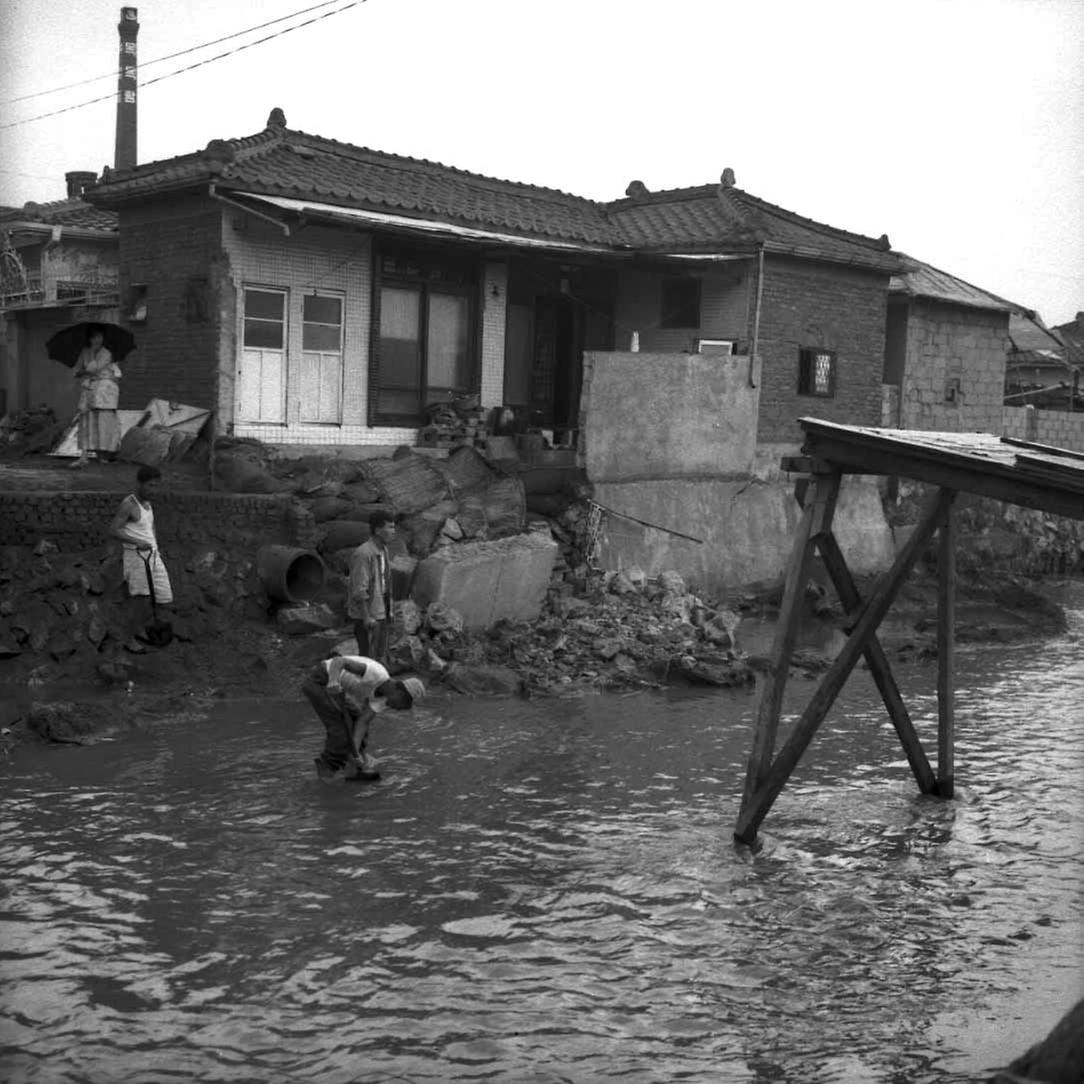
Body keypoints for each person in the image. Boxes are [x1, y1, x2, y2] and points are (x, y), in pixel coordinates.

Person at [302, 653, 425, 782]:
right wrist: (333, 680)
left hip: (338, 690)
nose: (398, 709)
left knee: (356, 717)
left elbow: (363, 722)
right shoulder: (376, 674)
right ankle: (326, 770)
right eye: (403, 705)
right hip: (319, 680)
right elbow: (339, 661)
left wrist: (355, 755)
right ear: (399, 692)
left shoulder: (384, 699)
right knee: (340, 731)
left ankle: (354, 762)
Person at [109, 465, 173, 624]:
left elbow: (150, 527)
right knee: (140, 598)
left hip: (153, 555)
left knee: (163, 596)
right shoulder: (129, 504)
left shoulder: (148, 503)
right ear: (139, 483)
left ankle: (150, 626)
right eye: (150, 485)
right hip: (137, 557)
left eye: (156, 486)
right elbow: (114, 530)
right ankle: (132, 636)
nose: (153, 490)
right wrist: (137, 542)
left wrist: (156, 547)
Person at [348, 510, 396, 661]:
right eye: (390, 527)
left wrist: (390, 609)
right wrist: (367, 617)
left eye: (394, 527)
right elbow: (359, 589)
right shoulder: (363, 554)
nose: (393, 532)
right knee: (368, 657)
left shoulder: (383, 550)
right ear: (377, 530)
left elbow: (384, 582)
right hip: (369, 615)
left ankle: (379, 681)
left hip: (381, 610)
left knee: (380, 655)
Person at [72, 326, 122, 468]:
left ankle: (103, 454)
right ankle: (84, 455)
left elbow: (95, 368)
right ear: (90, 338)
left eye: (100, 337)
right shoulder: (85, 352)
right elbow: (77, 370)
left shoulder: (106, 353)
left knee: (104, 420)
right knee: (86, 420)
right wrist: (82, 372)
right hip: (90, 388)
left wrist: (84, 371)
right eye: (95, 337)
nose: (98, 340)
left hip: (105, 390)